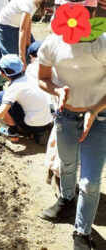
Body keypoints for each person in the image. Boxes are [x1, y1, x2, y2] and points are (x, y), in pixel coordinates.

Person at [38, 32, 106, 249]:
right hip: (65, 117)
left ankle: (81, 233)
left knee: (90, 182)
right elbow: (43, 78)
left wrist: (94, 110)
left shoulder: (103, 43)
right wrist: (56, 91)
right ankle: (67, 200)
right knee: (67, 164)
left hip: (100, 119)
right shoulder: (52, 42)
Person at [0, 54, 52, 143]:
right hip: (47, 121)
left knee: (0, 97)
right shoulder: (30, 77)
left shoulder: (13, 88)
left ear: (2, 73)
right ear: (22, 67)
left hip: (31, 125)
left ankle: (13, 132)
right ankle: (37, 133)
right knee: (21, 101)